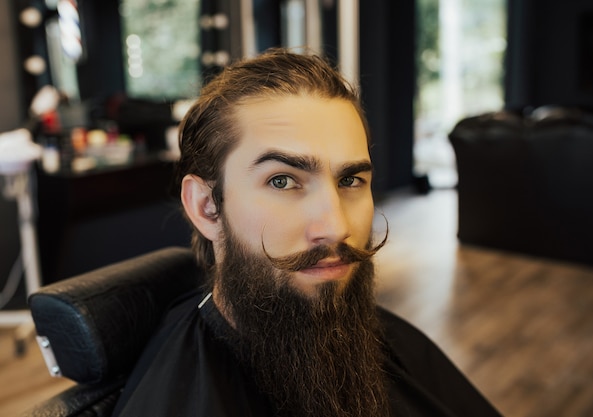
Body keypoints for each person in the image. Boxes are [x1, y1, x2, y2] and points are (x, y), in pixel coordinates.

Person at [112, 48, 502, 417]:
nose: (336, 228)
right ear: (207, 207)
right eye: (282, 181)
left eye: (350, 179)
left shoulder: (376, 337)